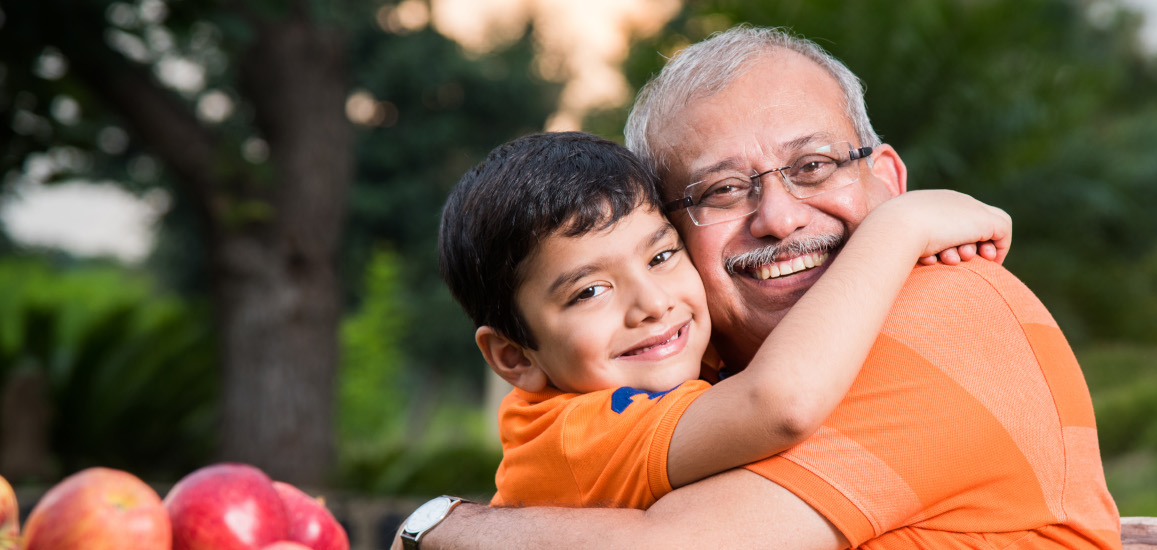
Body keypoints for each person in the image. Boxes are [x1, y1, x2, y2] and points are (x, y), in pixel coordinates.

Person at [399, 25, 1120, 550]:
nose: (777, 218)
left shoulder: (944, 308)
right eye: (721, 191)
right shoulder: (654, 386)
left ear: (889, 182)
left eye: (814, 166)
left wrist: (444, 527)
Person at [437, 131, 1010, 509]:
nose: (653, 304)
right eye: (589, 291)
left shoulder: (639, 369)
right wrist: (897, 228)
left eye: (661, 256)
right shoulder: (578, 434)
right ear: (515, 356)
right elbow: (779, 405)